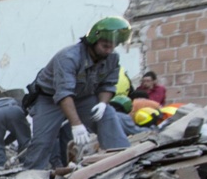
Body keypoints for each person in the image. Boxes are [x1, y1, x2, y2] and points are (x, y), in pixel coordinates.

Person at [21, 17, 132, 169]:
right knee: (43, 141)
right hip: (50, 100)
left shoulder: (112, 58)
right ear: (93, 40)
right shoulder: (68, 57)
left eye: (112, 47)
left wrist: (102, 103)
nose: (109, 50)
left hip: (83, 97)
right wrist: (76, 124)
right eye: (105, 46)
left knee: (108, 115)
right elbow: (64, 93)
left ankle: (122, 162)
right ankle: (30, 177)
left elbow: (108, 84)